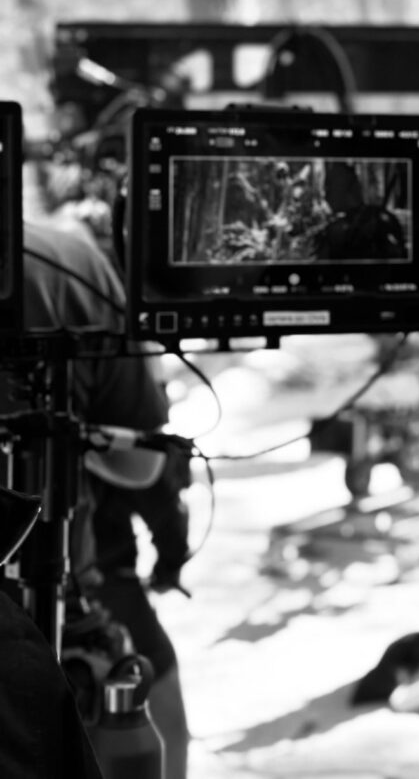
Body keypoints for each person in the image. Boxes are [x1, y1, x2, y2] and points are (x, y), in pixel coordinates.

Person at [15, 218, 191, 779]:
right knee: (160, 704)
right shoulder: (71, 264)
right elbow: (145, 463)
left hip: (68, 587)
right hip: (59, 594)